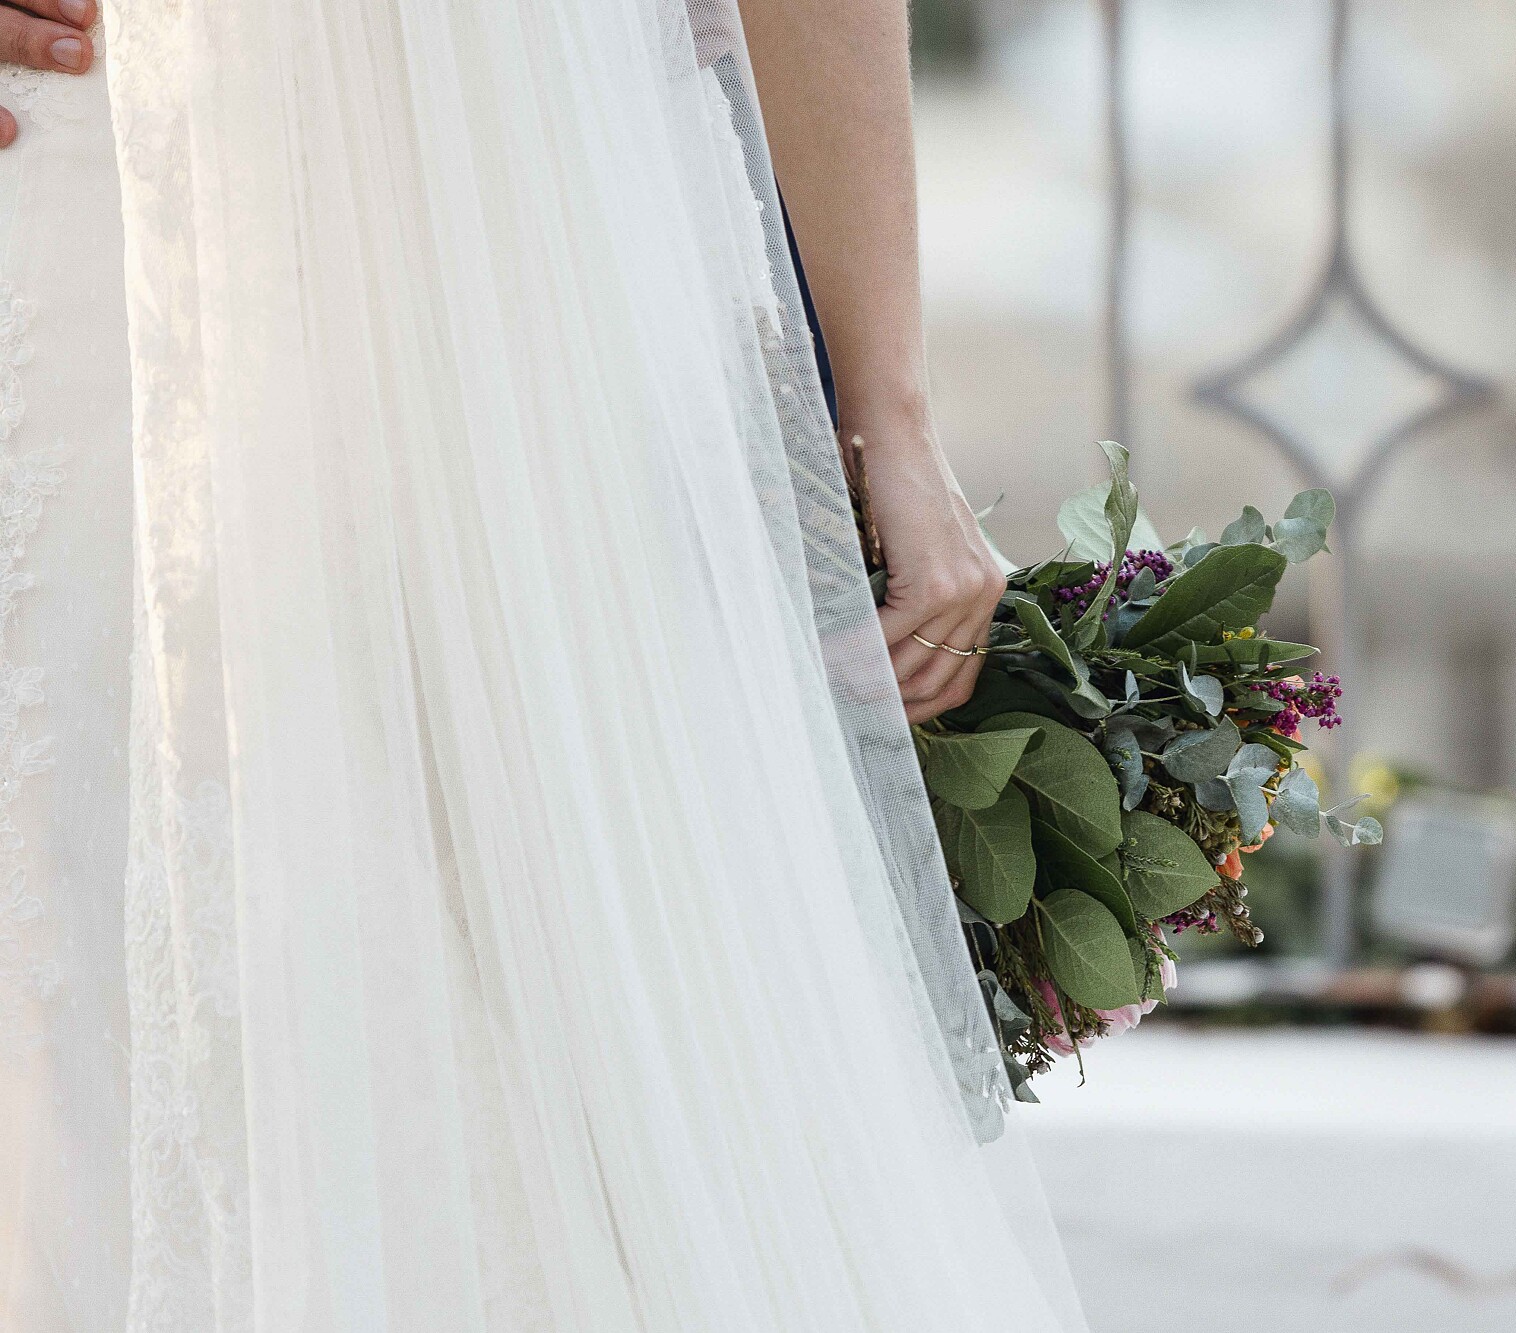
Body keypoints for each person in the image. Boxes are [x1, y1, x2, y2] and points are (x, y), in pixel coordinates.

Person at [0, 0, 1088, 1328]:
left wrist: (891, 418)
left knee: (582, 1003)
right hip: (93, 236)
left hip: (528, 288)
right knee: (81, 970)